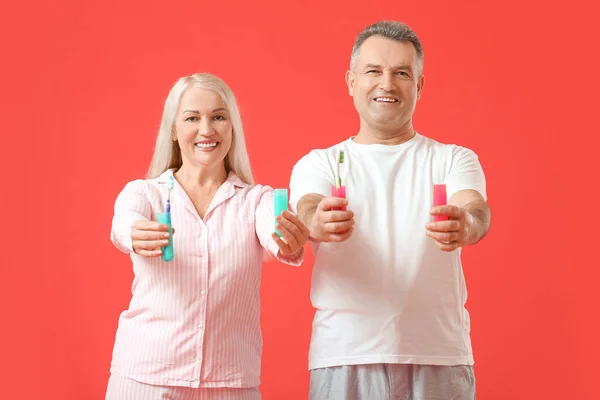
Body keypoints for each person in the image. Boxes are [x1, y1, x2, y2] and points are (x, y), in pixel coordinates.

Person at [289, 21, 491, 399]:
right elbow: (307, 208)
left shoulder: (452, 159)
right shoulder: (320, 163)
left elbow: (475, 209)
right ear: (351, 82)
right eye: (373, 71)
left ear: (419, 85)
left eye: (402, 73)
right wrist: (317, 220)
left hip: (439, 355)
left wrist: (467, 224)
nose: (387, 83)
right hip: (345, 356)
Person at [105, 73, 310, 400]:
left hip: (230, 383)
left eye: (218, 117)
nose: (206, 129)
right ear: (174, 129)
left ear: (232, 127)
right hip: (145, 379)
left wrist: (285, 237)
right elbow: (123, 222)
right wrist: (133, 232)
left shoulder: (257, 200)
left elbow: (274, 229)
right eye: (192, 118)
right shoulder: (144, 194)